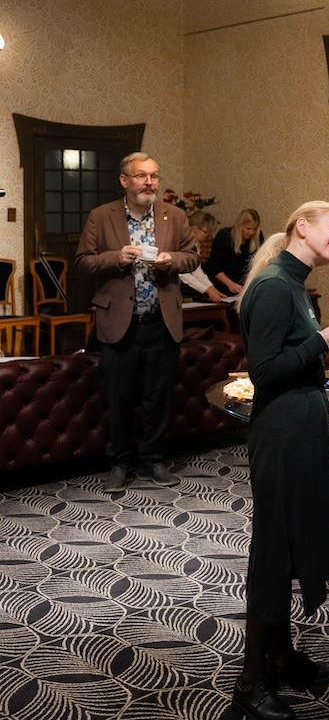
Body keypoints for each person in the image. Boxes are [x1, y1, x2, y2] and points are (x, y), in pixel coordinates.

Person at [232, 201, 329, 720]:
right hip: (283, 434)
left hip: (301, 429)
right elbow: (264, 372)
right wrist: (322, 340)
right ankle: (250, 681)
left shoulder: (292, 284)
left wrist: (322, 342)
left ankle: (282, 658)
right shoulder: (273, 287)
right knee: (274, 550)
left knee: (291, 544)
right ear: (302, 227)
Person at [75, 151, 200, 492]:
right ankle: (120, 463)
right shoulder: (101, 216)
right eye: (142, 176)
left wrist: (171, 261)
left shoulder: (174, 215)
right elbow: (83, 262)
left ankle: (154, 459)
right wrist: (116, 258)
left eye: (154, 176)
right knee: (120, 396)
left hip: (162, 320)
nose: (150, 182)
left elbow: (192, 257)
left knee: (158, 396)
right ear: (124, 180)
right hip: (119, 321)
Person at [206, 208, 263, 297]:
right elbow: (214, 267)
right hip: (222, 286)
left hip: (243, 288)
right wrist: (230, 284)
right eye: (248, 228)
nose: (251, 232)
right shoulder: (225, 236)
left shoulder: (258, 237)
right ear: (240, 225)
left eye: (254, 229)